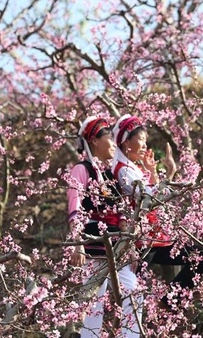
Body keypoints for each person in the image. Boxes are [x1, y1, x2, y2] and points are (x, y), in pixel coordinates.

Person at [111, 114, 203, 306]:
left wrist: (153, 172)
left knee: (202, 257)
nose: (144, 145)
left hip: (153, 238)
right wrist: (170, 173)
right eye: (140, 140)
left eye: (145, 140)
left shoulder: (130, 167)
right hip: (142, 241)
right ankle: (167, 304)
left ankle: (169, 302)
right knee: (132, 301)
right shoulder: (123, 170)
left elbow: (150, 195)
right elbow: (149, 197)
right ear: (125, 142)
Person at [66, 116, 142, 337]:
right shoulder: (81, 170)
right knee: (93, 306)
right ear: (94, 141)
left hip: (116, 248)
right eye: (109, 137)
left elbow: (121, 215)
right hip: (92, 248)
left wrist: (130, 246)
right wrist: (78, 245)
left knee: (134, 293)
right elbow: (75, 208)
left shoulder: (109, 175)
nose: (112, 142)